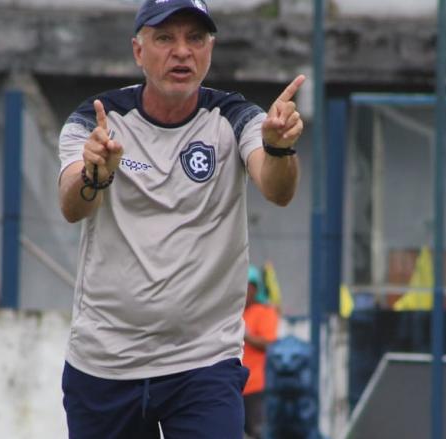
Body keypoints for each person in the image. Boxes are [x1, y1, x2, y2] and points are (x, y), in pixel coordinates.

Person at [56, 0, 305, 437]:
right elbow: (72, 205)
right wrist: (95, 173)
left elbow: (277, 188)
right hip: (105, 361)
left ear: (210, 49)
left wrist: (280, 147)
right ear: (138, 50)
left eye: (195, 38)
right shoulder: (98, 121)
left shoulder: (235, 117)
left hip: (203, 363)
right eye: (165, 38)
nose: (182, 51)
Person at [242, 266, 279, 439]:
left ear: (255, 288)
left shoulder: (264, 312)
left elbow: (269, 343)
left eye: (247, 286)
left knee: (258, 433)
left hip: (256, 387)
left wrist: (245, 335)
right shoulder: (233, 313)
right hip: (233, 387)